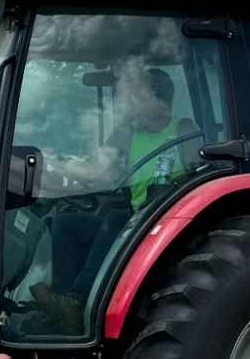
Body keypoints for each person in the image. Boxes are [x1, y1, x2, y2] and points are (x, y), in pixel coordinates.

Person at [31, 62, 200, 333]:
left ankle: (78, 299)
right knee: (67, 223)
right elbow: (96, 168)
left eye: (135, 96)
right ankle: (63, 307)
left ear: (156, 99)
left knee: (116, 217)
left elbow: (197, 177)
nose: (130, 105)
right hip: (137, 222)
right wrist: (54, 164)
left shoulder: (183, 131)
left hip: (165, 221)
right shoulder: (129, 132)